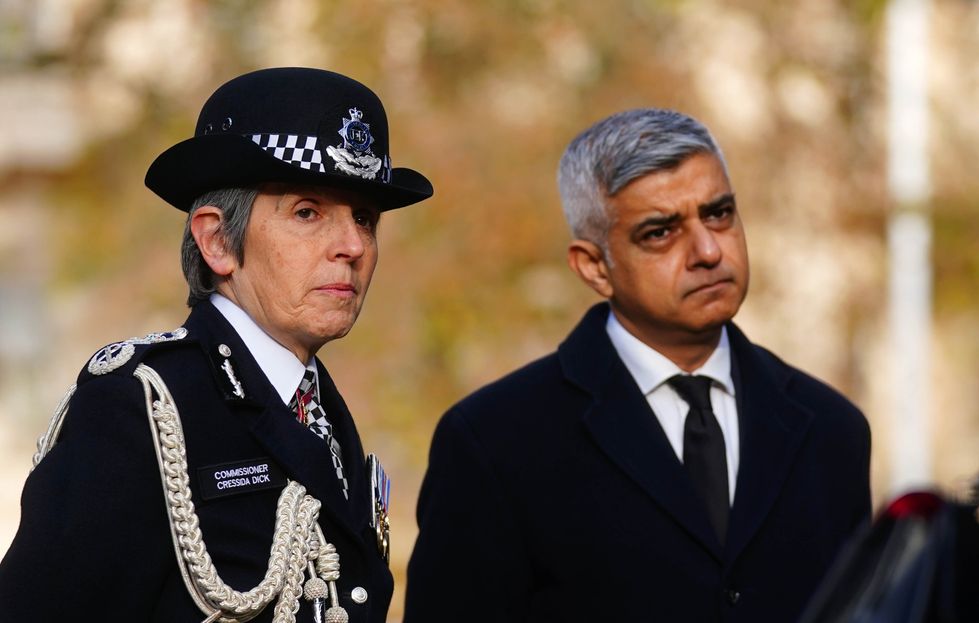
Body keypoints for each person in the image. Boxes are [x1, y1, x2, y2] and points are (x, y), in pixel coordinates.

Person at [0, 67, 432, 622]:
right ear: (216, 240)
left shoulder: (318, 406)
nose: (352, 245)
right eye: (307, 212)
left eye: (365, 218)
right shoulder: (144, 407)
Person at [404, 109, 870, 622]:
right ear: (594, 267)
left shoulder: (833, 431)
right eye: (660, 232)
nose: (708, 250)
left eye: (718, 213)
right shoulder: (494, 443)